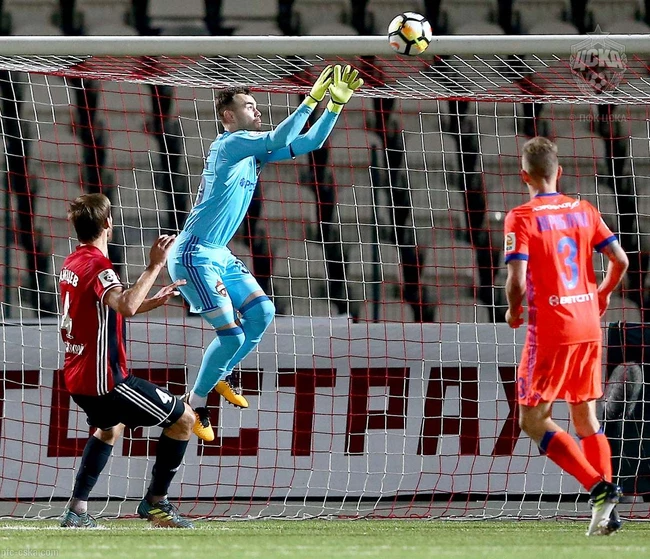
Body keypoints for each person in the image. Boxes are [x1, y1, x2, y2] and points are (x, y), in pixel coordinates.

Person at [168, 65, 363, 441]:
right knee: (231, 337)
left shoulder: (252, 154)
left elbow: (310, 143)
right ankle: (197, 401)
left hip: (218, 253)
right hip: (193, 255)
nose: (257, 110)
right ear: (228, 116)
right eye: (249, 105)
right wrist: (310, 99)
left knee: (262, 313)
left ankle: (218, 376)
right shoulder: (229, 145)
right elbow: (280, 135)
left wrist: (335, 105)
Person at [504, 137, 629, 536]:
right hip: (588, 323)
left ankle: (597, 487)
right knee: (585, 415)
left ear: (524, 176)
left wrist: (513, 310)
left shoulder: (521, 217)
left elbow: (516, 281)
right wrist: (602, 294)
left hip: (552, 327)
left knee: (532, 419)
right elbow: (620, 260)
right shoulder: (584, 209)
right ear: (559, 172)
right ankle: (608, 513)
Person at [58, 193, 195, 529]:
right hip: (106, 380)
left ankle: (77, 509)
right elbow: (126, 306)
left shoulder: (72, 263)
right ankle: (156, 503)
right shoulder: (98, 267)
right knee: (185, 419)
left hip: (77, 375)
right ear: (108, 224)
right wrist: (155, 265)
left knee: (110, 428)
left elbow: (111, 307)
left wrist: (152, 301)